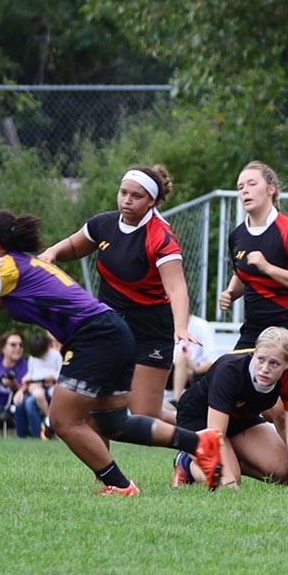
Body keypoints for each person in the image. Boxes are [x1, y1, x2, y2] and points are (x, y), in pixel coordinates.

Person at [0, 209, 224, 495]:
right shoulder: (22, 267)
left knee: (63, 420)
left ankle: (119, 486)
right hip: (112, 333)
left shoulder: (9, 267)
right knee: (114, 422)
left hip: (96, 338)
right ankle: (200, 444)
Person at [38, 164, 199, 425]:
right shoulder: (105, 224)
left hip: (150, 330)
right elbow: (73, 246)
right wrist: (52, 253)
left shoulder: (161, 236)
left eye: (136, 196)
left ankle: (204, 434)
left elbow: (177, 287)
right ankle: (103, 466)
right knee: (94, 406)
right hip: (110, 326)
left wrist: (180, 325)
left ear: (152, 201)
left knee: (144, 413)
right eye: (123, 192)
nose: (127, 200)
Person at [172, 326, 288, 489]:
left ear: (287, 364)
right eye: (261, 359)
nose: (265, 369)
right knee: (228, 483)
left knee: (283, 472)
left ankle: (228, 460)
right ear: (255, 353)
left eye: (274, 363)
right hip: (198, 417)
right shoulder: (230, 369)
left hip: (241, 417)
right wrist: (230, 482)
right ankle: (186, 462)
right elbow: (216, 433)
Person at [218, 161, 288, 368]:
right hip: (256, 328)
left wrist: (268, 268)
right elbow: (243, 276)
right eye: (240, 187)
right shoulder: (237, 235)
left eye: (252, 184)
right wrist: (230, 293)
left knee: (284, 395)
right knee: (228, 376)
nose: (245, 190)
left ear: (271, 189)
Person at [13, 331, 63, 438]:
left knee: (30, 403)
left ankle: (49, 423)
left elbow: (61, 371)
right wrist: (23, 387)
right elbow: (30, 374)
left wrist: (53, 377)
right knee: (33, 398)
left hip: (52, 385)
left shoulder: (55, 355)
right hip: (37, 385)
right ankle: (47, 419)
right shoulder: (33, 359)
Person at [170, 314, 216, 403]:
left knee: (181, 357)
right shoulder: (168, 324)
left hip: (196, 368)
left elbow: (211, 360)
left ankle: (176, 399)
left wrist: (196, 371)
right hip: (176, 369)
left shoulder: (201, 325)